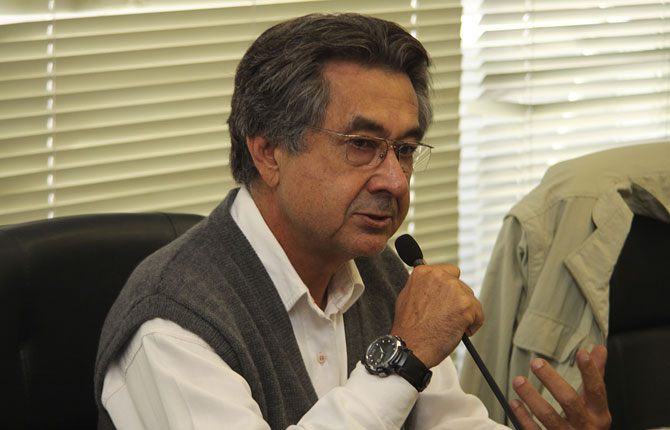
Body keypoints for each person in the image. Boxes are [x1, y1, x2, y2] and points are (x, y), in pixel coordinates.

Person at [94, 13, 611, 430]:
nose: (396, 181)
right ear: (270, 153)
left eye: (405, 150)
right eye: (362, 146)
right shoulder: (171, 327)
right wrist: (401, 359)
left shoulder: (381, 275)